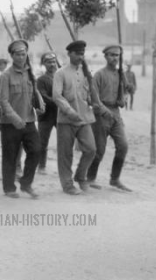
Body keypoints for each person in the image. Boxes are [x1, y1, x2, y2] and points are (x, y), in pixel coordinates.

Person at [0, 39, 43, 199]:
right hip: (10, 123)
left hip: (29, 120)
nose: (21, 57)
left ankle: (26, 183)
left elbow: (34, 93)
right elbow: (3, 101)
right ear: (12, 56)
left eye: (24, 54)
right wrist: (15, 118)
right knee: (10, 156)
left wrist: (41, 103)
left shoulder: (30, 73)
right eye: (18, 54)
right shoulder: (5, 76)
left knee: (36, 150)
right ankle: (9, 188)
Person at [53, 40, 97, 195]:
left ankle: (80, 175)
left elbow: (89, 94)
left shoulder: (85, 72)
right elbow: (57, 96)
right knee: (65, 154)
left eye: (82, 54)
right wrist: (70, 112)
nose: (80, 57)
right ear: (69, 54)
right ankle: (67, 184)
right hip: (66, 120)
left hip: (84, 118)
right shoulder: (60, 73)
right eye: (77, 54)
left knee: (91, 149)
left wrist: (93, 101)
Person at [86, 45, 131, 192]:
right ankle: (90, 178)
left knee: (123, 146)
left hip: (116, 113)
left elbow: (125, 93)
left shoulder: (120, 74)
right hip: (101, 115)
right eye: (111, 55)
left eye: (117, 55)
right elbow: (93, 98)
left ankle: (115, 179)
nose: (114, 58)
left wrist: (123, 97)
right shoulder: (99, 75)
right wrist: (103, 110)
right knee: (99, 150)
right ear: (105, 57)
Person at [36, 52, 59, 175]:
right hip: (46, 115)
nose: (52, 64)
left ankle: (63, 166)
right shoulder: (41, 80)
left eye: (53, 61)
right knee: (42, 141)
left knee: (64, 140)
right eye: (48, 62)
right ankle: (41, 166)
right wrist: (59, 102)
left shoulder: (61, 76)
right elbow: (43, 96)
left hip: (60, 114)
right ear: (44, 64)